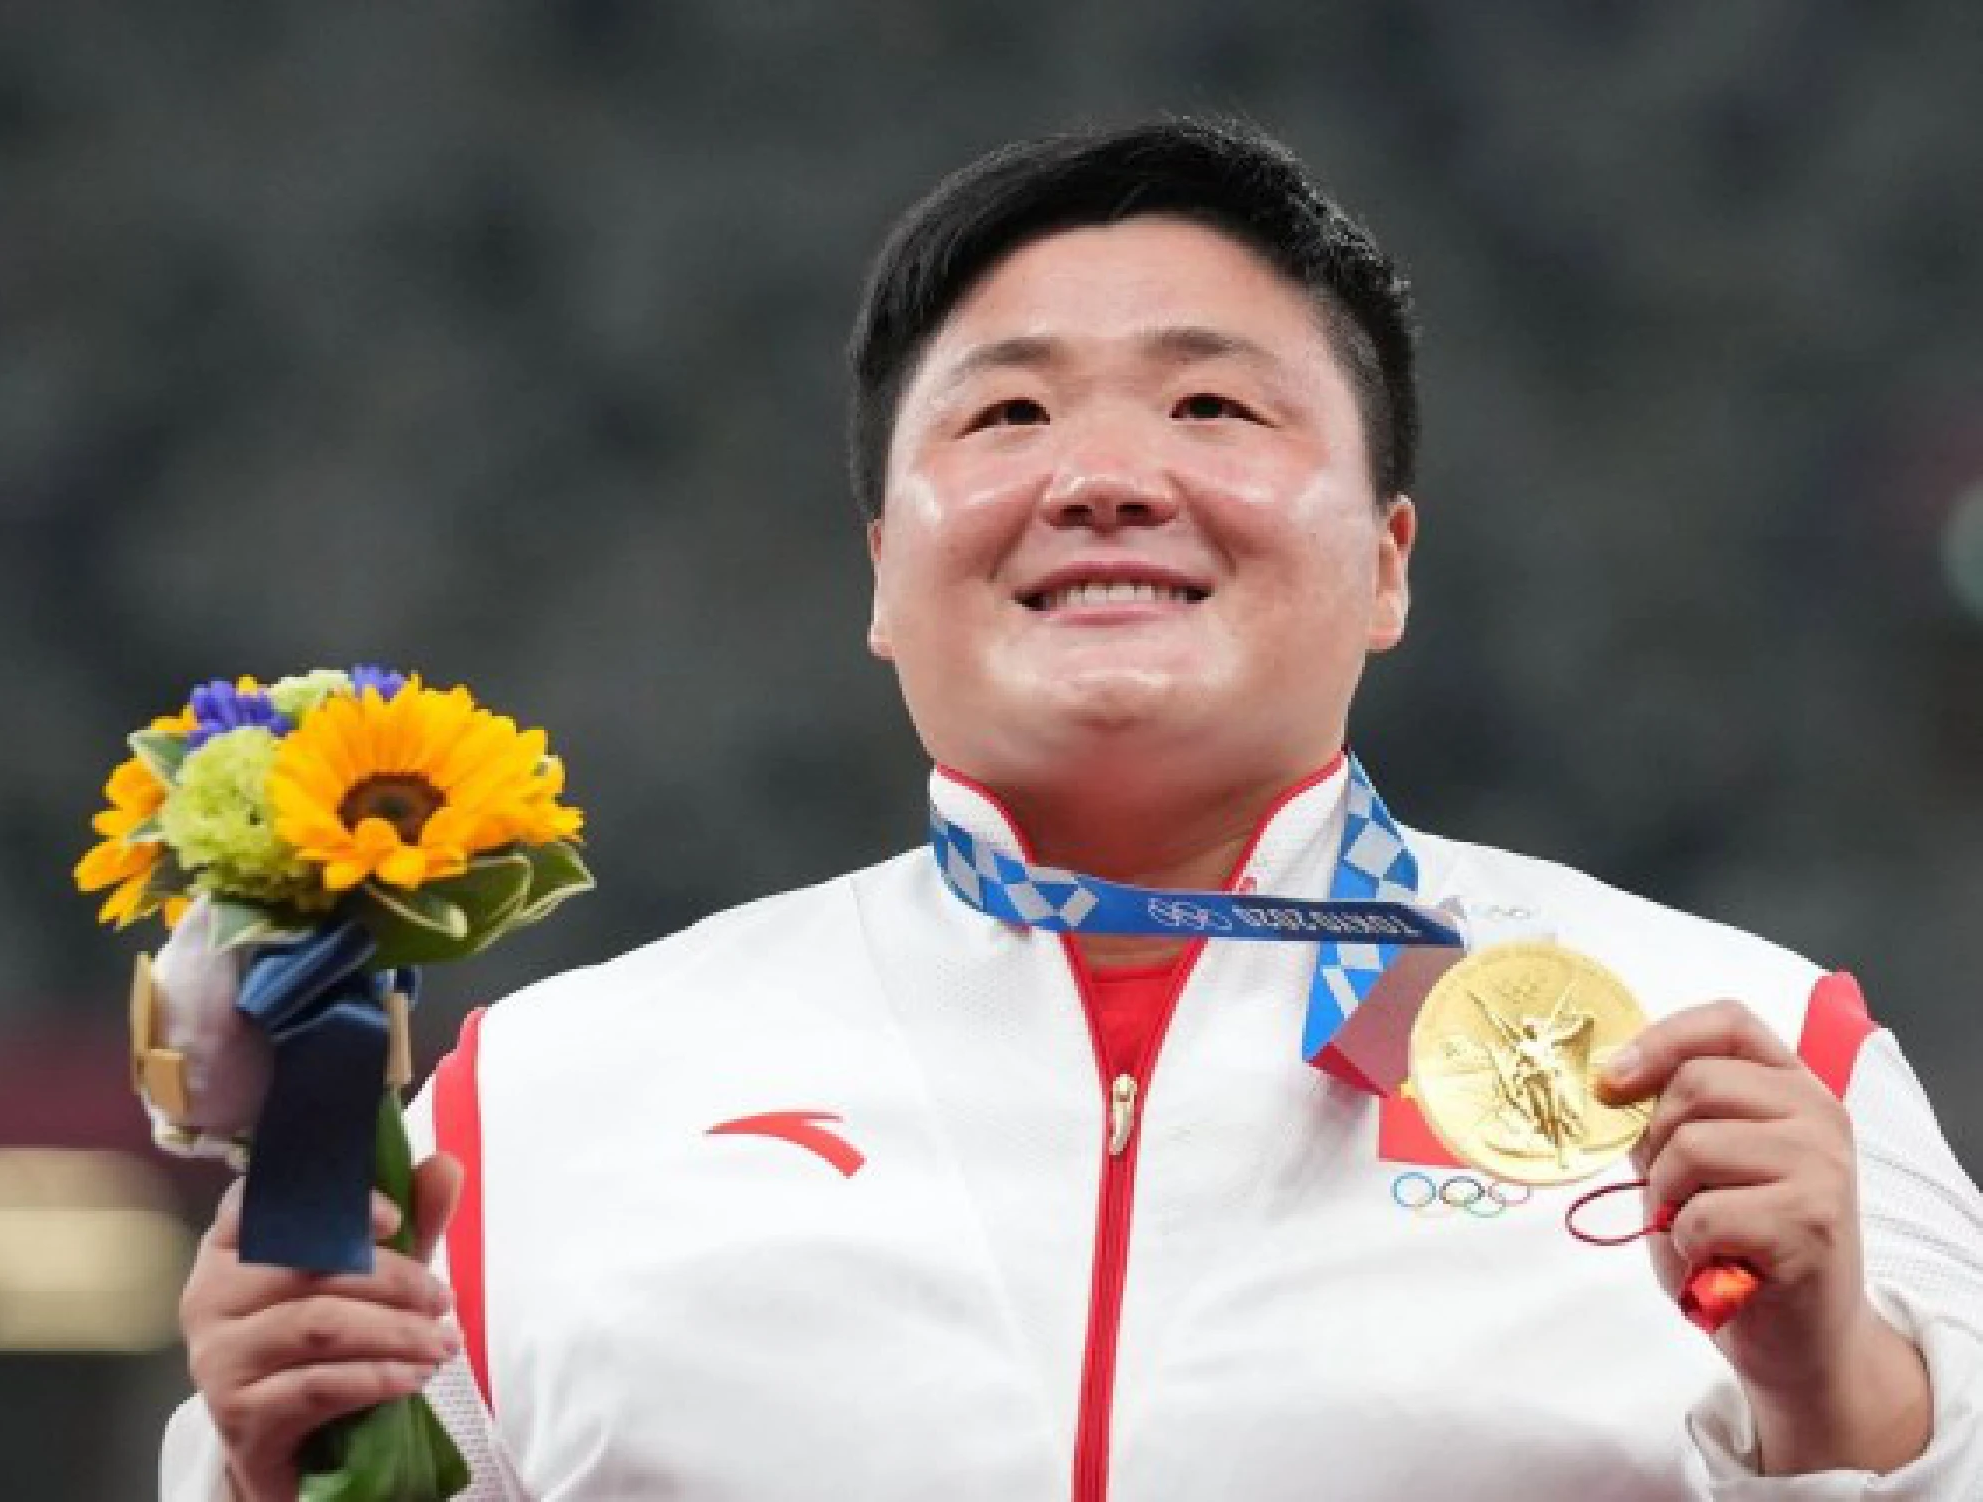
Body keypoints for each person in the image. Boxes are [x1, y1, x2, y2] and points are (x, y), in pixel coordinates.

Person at [159, 118, 1983, 1500]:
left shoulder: (1749, 1058)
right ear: (883, 573)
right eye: (1008, 417)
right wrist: (265, 1461)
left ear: (1389, 564)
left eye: (1211, 402)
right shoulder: (535, 1104)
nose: (1107, 479)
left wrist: (1838, 1401)